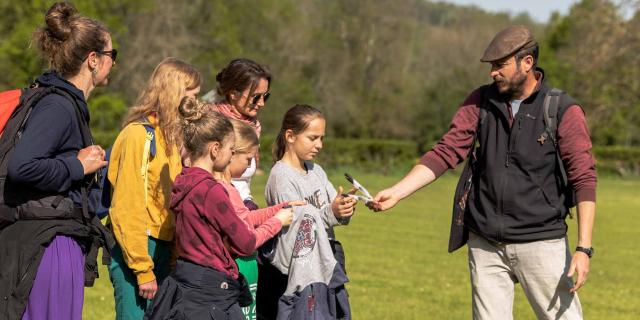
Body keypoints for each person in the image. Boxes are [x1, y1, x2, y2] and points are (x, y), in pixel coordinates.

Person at [369, 25, 596, 319]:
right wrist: (398, 192)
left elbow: (584, 179)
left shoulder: (562, 109)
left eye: (500, 65)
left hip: (541, 242)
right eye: (491, 66)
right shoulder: (480, 101)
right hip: (486, 243)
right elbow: (446, 151)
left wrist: (583, 248)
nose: (493, 73)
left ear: (527, 63)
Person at [0, 2, 115, 319]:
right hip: (47, 246)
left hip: (50, 239)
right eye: (111, 55)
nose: (113, 63)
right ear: (92, 60)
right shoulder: (58, 106)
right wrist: (77, 166)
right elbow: (22, 166)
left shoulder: (66, 104)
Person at [145, 97, 261, 320]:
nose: (231, 156)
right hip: (212, 291)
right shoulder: (212, 191)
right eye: (230, 149)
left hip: (187, 280)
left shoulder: (183, 181)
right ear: (215, 149)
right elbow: (245, 242)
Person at [107, 58, 201, 319]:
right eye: (190, 96)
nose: (195, 103)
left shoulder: (174, 138)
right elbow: (127, 206)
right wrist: (142, 268)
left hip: (165, 248)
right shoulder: (139, 135)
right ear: (172, 93)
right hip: (138, 249)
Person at [262, 104, 357, 319]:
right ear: (290, 136)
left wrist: (344, 207)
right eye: (313, 138)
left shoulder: (316, 171)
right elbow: (300, 227)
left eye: (322, 138)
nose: (319, 145)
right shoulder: (281, 177)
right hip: (300, 275)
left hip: (326, 262)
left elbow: (333, 209)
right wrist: (331, 212)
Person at [212, 119, 305, 319]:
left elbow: (245, 218)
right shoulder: (223, 190)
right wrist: (277, 221)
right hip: (235, 268)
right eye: (247, 159)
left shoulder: (230, 188)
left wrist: (278, 209)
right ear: (231, 153)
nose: (249, 167)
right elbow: (245, 238)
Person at [204, 58, 271, 209]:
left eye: (265, 96)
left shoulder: (254, 126)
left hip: (244, 203)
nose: (262, 103)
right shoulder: (211, 124)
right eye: (256, 97)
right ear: (234, 93)